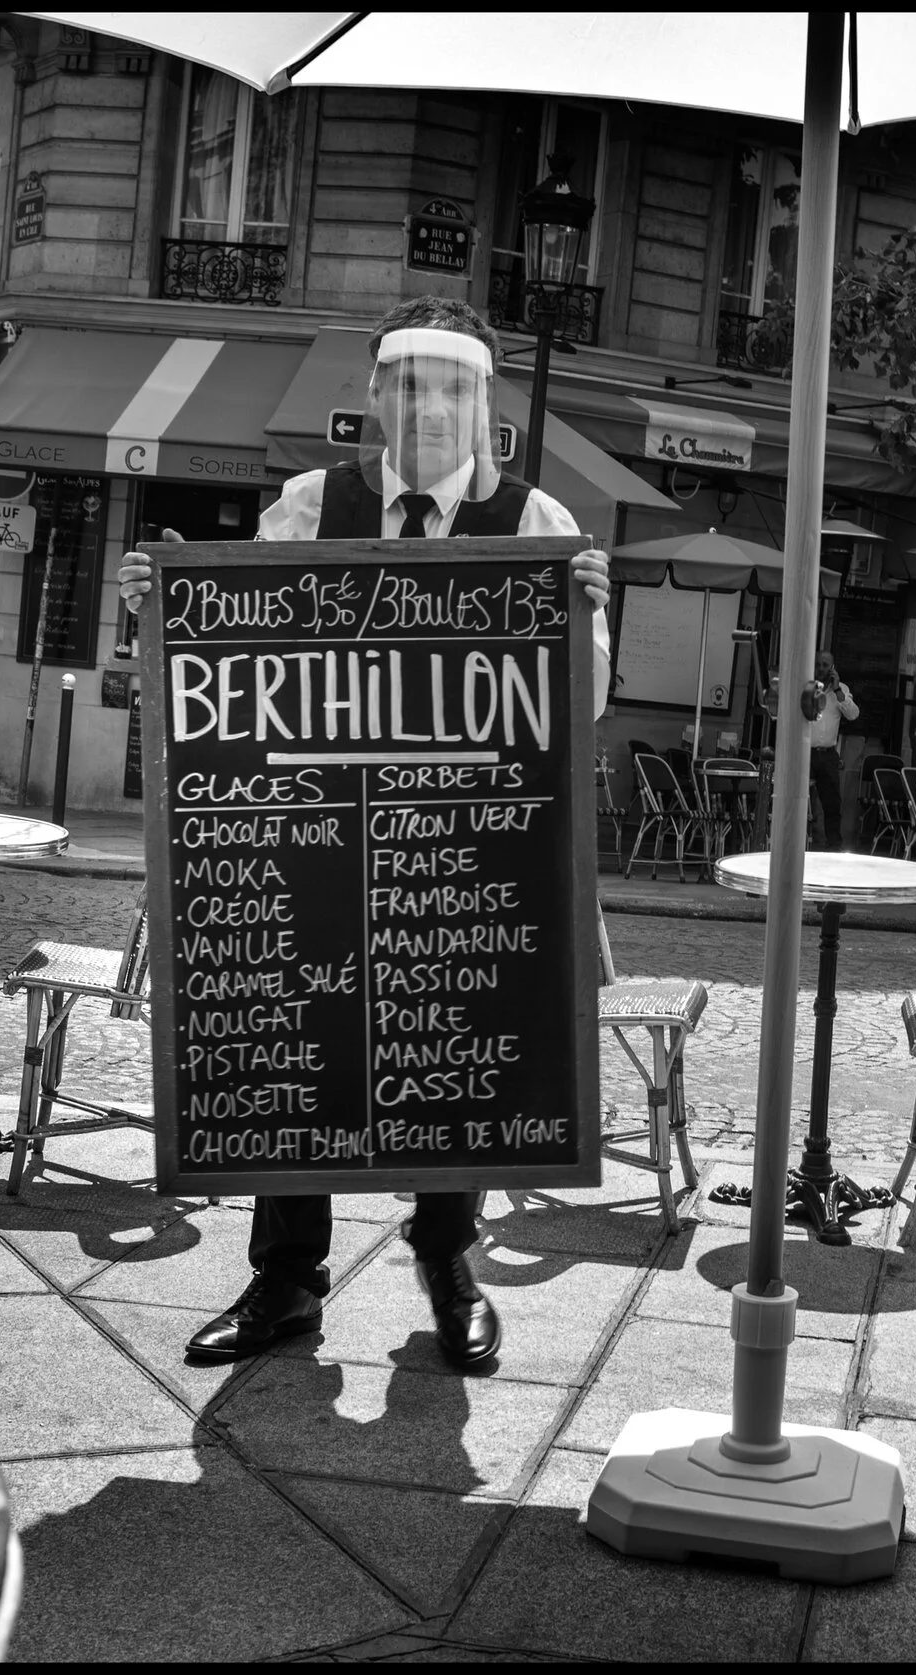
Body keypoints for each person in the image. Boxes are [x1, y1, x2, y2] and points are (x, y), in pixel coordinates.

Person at [116, 297, 613, 1372]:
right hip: (309, 832)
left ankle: (448, 1267)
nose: (430, 406)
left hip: (465, 839)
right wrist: (154, 607)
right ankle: (285, 1280)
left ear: (480, 406)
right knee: (294, 1033)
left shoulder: (537, 524)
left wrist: (585, 616)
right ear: (378, 397)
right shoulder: (308, 503)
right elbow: (223, 668)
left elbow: (582, 710)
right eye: (410, 384)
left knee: (461, 1045)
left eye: (453, 388)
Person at [803, 652, 860, 848]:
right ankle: (801, 843)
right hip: (805, 754)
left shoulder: (841, 690)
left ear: (832, 667)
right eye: (818, 664)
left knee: (832, 804)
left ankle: (833, 847)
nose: (821, 668)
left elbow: (853, 714)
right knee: (801, 801)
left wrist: (837, 690)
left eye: (825, 665)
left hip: (827, 755)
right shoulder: (805, 687)